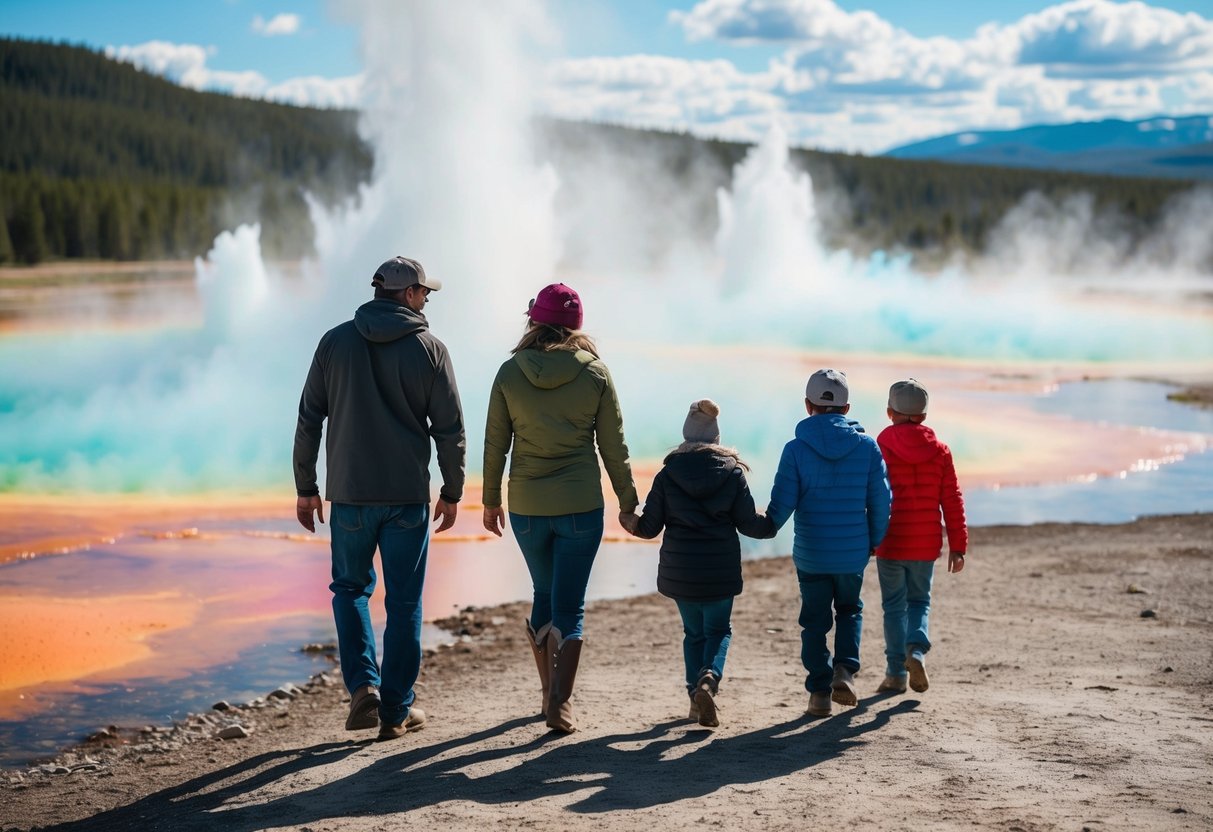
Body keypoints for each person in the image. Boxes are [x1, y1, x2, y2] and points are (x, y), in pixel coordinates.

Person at [293, 255, 465, 741]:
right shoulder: (430, 350)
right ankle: (395, 711)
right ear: (407, 294)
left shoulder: (334, 342)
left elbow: (310, 417)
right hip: (406, 497)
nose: (427, 299)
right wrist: (452, 491)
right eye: (424, 293)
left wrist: (306, 486)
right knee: (405, 602)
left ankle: (364, 688)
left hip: (349, 496)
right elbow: (449, 430)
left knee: (350, 591)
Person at [482, 283, 638, 734]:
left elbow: (496, 444)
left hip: (528, 507)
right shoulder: (595, 373)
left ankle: (549, 694)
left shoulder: (510, 372)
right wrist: (628, 502)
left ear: (534, 320)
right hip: (580, 505)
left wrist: (490, 499)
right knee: (570, 603)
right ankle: (560, 704)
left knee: (544, 593)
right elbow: (615, 446)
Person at [625, 399, 774, 728]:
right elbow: (750, 523)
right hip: (719, 569)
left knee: (693, 634)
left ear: (686, 434)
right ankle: (710, 678)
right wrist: (776, 519)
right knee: (718, 630)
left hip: (681, 572)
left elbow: (650, 527)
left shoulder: (667, 475)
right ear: (716, 437)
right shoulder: (733, 473)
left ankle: (695, 697)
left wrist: (629, 521)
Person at [765, 369, 891, 718]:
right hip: (852, 552)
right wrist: (874, 540)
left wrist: (764, 526)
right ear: (847, 408)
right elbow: (881, 500)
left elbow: (782, 503)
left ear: (808, 405)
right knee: (850, 610)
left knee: (814, 622)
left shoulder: (795, 449)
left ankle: (819, 693)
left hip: (812, 552)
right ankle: (845, 671)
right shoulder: (867, 447)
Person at [874, 378, 968, 694]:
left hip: (890, 541)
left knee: (893, 607)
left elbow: (872, 495)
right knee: (919, 602)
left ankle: (895, 674)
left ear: (890, 412)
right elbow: (952, 498)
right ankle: (916, 651)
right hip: (926, 544)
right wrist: (958, 545)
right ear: (924, 416)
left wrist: (868, 537)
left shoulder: (881, 446)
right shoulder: (940, 451)